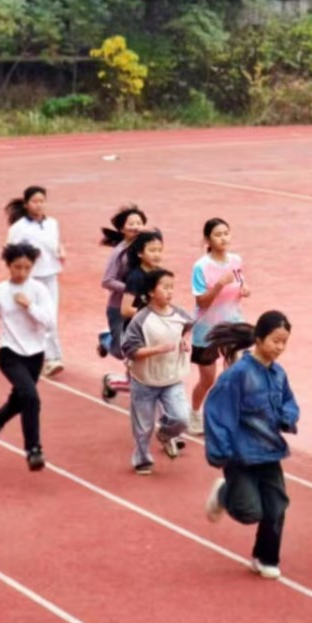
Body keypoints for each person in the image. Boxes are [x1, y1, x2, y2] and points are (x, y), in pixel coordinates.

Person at [202, 312, 300, 580]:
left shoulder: (278, 374)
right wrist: (221, 451)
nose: (280, 348)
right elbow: (217, 411)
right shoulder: (238, 375)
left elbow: (288, 402)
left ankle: (265, 556)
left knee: (276, 507)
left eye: (284, 342)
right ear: (259, 338)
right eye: (275, 341)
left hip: (269, 451)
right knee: (249, 512)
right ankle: (224, 493)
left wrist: (287, 416)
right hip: (240, 455)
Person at [0, 242, 55, 472]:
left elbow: (49, 321)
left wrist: (29, 306)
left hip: (35, 354)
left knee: (19, 399)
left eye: (27, 267)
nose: (21, 272)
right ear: (8, 266)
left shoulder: (39, 290)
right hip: (9, 353)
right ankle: (33, 449)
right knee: (31, 397)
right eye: (17, 267)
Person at [117, 268, 194, 476]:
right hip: (145, 381)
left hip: (172, 378)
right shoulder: (141, 320)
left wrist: (185, 340)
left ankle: (165, 433)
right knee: (143, 427)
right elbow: (130, 350)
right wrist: (156, 350)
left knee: (182, 418)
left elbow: (188, 325)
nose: (170, 292)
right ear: (151, 291)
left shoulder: (178, 314)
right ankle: (142, 458)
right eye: (165, 287)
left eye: (172, 287)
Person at [189, 218, 251, 436]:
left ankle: (228, 417)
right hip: (207, 330)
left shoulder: (236, 260)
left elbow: (240, 282)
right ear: (208, 239)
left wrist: (244, 289)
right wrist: (219, 285)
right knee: (207, 380)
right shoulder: (201, 266)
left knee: (236, 375)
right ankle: (195, 413)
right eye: (218, 234)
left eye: (226, 233)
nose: (223, 238)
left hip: (233, 325)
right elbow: (201, 302)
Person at [5, 186, 66, 377]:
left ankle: (52, 359)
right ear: (26, 204)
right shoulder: (19, 228)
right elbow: (10, 252)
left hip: (50, 275)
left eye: (42, 201)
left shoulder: (52, 223)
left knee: (49, 317)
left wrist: (61, 251)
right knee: (33, 318)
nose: (39, 205)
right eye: (35, 201)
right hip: (31, 278)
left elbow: (56, 242)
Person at [102, 228, 165, 401]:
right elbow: (126, 310)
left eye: (160, 250)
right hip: (135, 331)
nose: (157, 254)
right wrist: (149, 314)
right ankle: (111, 382)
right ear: (139, 253)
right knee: (137, 381)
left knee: (149, 375)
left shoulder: (160, 274)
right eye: (152, 250)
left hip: (152, 330)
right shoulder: (135, 278)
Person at [98, 204, 147, 359]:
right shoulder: (118, 253)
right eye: (131, 224)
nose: (136, 227)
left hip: (139, 305)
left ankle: (132, 380)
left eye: (139, 223)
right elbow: (107, 281)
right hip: (118, 307)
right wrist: (130, 289)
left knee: (138, 346)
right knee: (121, 351)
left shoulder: (144, 248)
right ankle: (106, 339)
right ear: (122, 228)